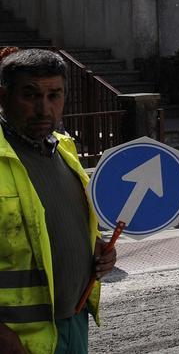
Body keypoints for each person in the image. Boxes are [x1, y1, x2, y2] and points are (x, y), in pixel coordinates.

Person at [0, 49, 116, 354]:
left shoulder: (64, 150)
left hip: (73, 324)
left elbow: (61, 222)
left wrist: (97, 249)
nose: (44, 109)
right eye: (30, 95)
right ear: (3, 96)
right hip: (17, 340)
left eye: (55, 95)